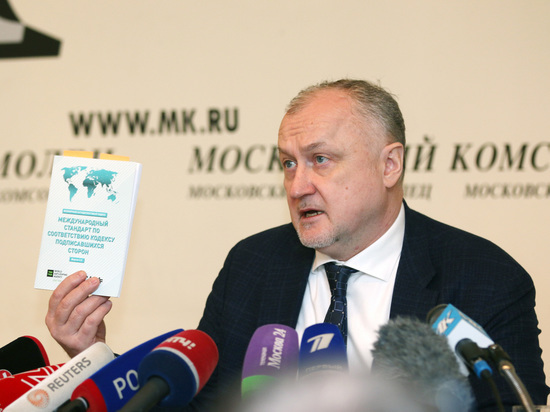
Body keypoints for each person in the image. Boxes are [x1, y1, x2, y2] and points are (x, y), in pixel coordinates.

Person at [46, 79, 549, 411]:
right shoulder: (253, 265)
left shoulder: (484, 279)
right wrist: (93, 356)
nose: (297, 185)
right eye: (288, 163)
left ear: (389, 165)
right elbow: (197, 403)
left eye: (320, 160)